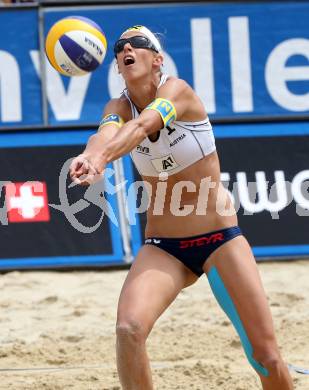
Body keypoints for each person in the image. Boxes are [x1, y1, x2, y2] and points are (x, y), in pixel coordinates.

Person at [69, 25, 294, 390]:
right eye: (119, 47)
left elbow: (144, 125)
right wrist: (92, 156)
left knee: (265, 357)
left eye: (136, 44)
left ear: (157, 59)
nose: (126, 49)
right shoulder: (117, 108)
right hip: (165, 248)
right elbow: (105, 135)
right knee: (129, 329)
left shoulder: (178, 91)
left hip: (220, 240)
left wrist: (103, 158)